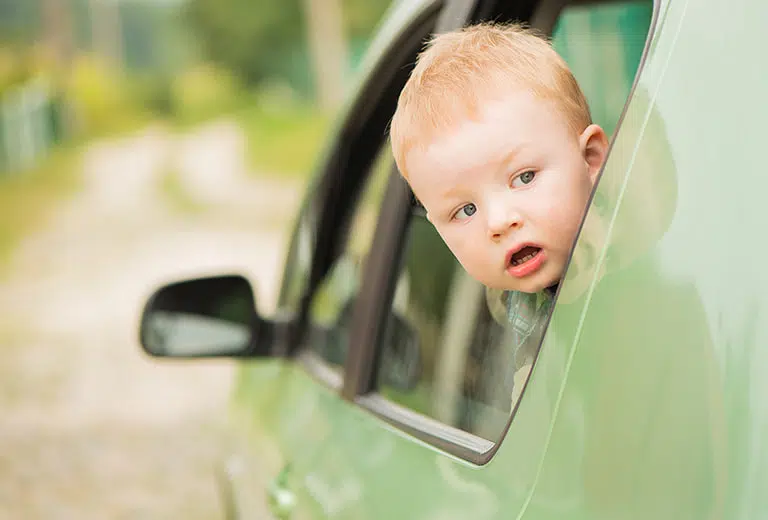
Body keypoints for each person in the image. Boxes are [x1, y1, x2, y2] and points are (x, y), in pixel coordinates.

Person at [388, 22, 609, 401]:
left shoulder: (634, 299)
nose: (499, 222)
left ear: (590, 159)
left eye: (524, 177)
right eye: (466, 209)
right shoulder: (510, 306)